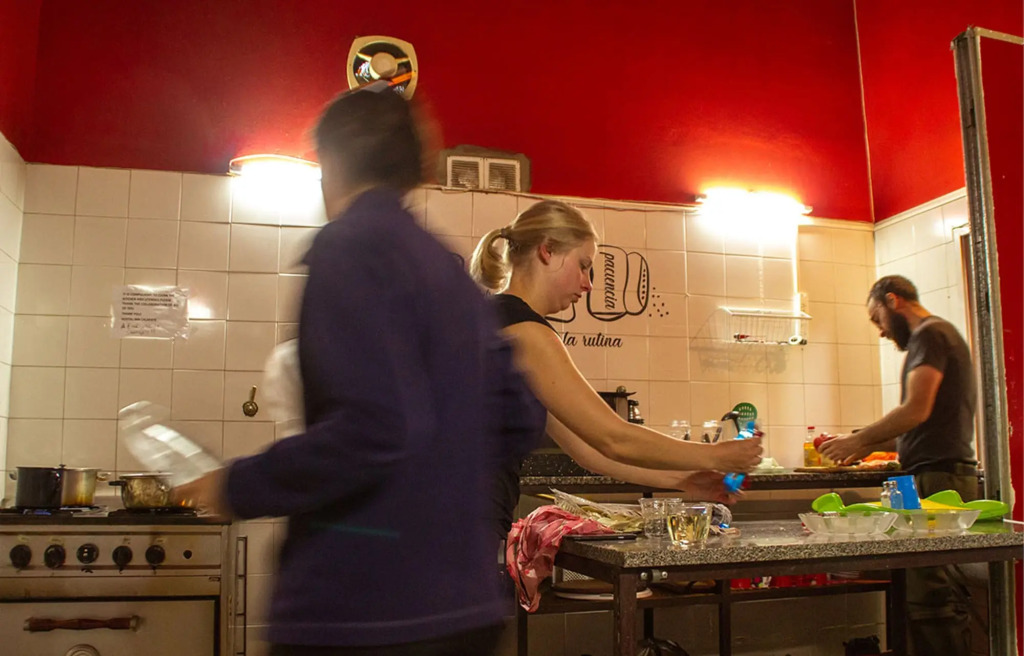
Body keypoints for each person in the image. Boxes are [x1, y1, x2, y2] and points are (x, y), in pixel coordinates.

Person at [177, 85, 540, 656]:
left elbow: (373, 427)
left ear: (332, 162)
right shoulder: (449, 273)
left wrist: (237, 485)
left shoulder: (350, 246)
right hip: (464, 608)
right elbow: (520, 417)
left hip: (362, 608)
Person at [468, 199, 764, 542]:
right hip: (462, 522)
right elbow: (614, 438)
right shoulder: (525, 331)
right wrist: (716, 455)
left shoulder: (497, 319)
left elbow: (589, 450)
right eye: (583, 266)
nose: (588, 284)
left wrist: (684, 480)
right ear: (547, 251)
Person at [820, 275, 978, 656]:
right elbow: (921, 426)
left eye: (877, 318)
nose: (880, 331)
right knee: (925, 591)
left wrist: (858, 440)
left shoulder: (930, 334)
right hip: (936, 475)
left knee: (931, 598)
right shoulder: (937, 335)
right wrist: (862, 446)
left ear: (893, 301)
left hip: (940, 480)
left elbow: (914, 410)